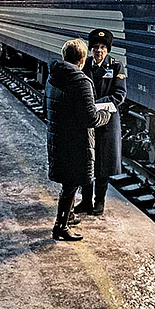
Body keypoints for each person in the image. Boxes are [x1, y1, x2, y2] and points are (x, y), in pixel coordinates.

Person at [46, 39, 111, 241]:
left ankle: (69, 216)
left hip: (58, 136)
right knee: (71, 182)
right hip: (75, 141)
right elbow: (90, 118)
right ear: (83, 59)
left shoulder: (53, 76)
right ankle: (61, 226)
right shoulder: (81, 82)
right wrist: (106, 115)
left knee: (68, 180)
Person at [79, 28, 127, 216]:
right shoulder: (84, 65)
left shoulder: (116, 66)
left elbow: (119, 94)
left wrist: (95, 104)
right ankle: (85, 202)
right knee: (85, 162)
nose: (99, 51)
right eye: (96, 47)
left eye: (102, 48)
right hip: (88, 121)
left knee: (103, 164)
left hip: (107, 121)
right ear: (90, 50)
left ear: (108, 50)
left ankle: (99, 202)